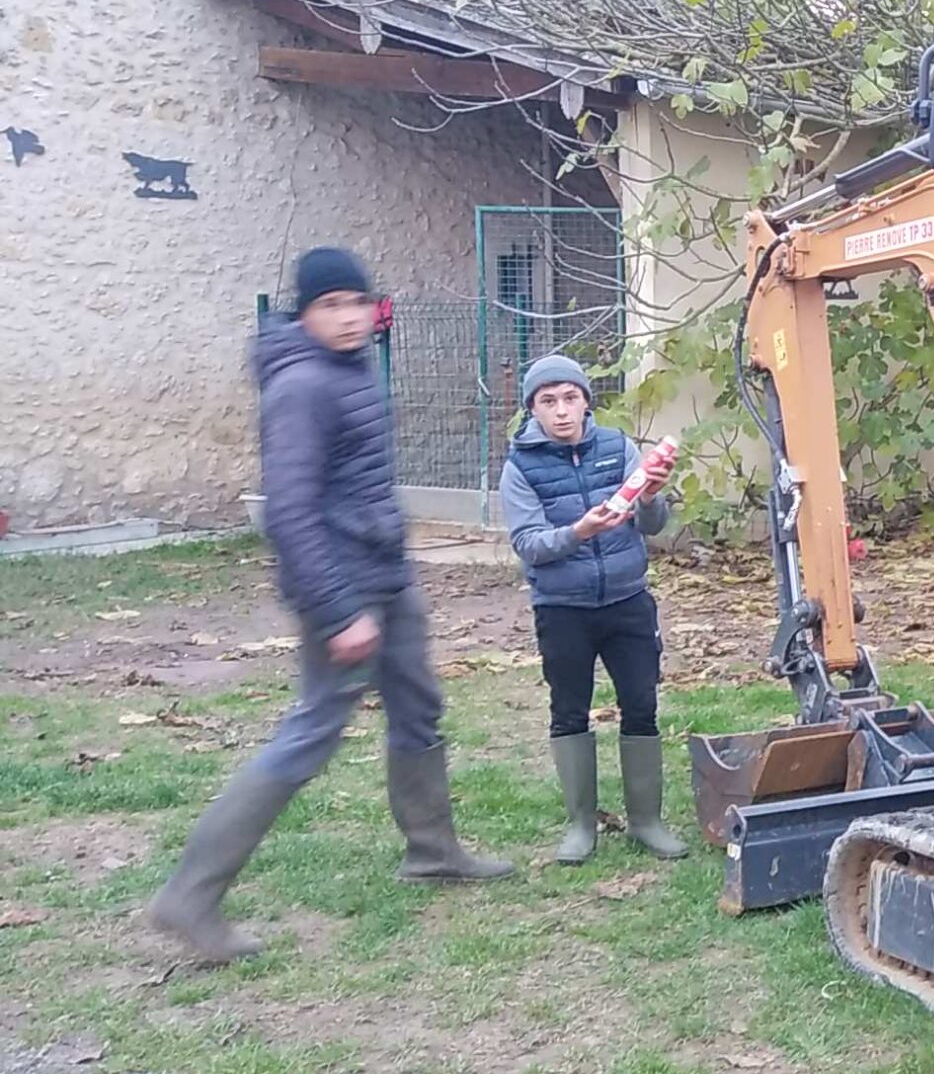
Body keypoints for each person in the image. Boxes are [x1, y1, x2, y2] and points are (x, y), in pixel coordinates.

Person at [145, 248, 516, 966]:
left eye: (357, 303)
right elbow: (290, 511)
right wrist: (341, 609)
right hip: (341, 591)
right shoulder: (303, 387)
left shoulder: (349, 371)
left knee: (418, 707)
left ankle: (432, 851)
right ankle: (191, 894)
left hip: (386, 577)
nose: (348, 318)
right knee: (313, 728)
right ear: (304, 312)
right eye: (330, 305)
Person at [498, 355, 688, 863]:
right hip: (563, 609)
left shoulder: (618, 448)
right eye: (548, 401)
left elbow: (650, 525)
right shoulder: (520, 466)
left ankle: (646, 821)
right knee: (569, 711)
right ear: (532, 409)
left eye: (570, 398)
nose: (561, 411)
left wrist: (649, 496)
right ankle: (582, 826)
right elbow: (528, 542)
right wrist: (579, 531)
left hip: (628, 602)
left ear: (586, 401)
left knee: (641, 706)